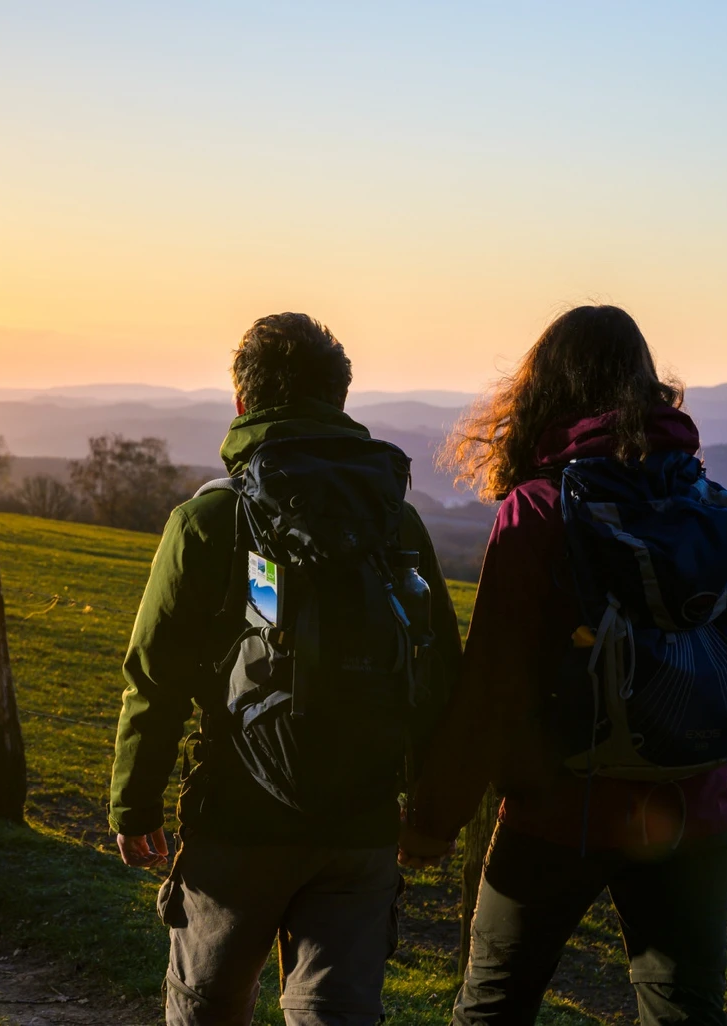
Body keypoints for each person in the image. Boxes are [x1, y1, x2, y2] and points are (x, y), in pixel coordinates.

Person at [400, 305, 727, 1025]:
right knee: (685, 1014)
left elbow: (492, 686)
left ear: (544, 390)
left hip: (558, 812)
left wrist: (434, 821)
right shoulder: (717, 509)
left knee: (492, 1008)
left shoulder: (539, 510)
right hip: (694, 809)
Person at [108, 312, 463, 1026]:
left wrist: (135, 803)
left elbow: (157, 677)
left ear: (243, 403)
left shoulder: (210, 521)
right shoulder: (397, 524)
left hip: (237, 823)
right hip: (362, 828)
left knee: (207, 1009)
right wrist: (429, 817)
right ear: (340, 400)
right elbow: (437, 677)